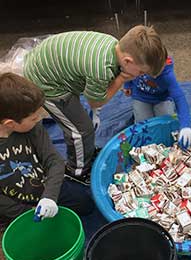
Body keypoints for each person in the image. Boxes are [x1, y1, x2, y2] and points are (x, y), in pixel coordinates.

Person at [23, 26, 167, 185]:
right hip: (47, 84)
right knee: (80, 131)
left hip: (50, 64)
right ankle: (76, 170)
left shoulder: (113, 44)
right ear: (127, 61)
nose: (141, 76)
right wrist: (120, 80)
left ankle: (86, 153)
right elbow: (95, 101)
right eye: (140, 72)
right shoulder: (101, 70)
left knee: (81, 121)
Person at [0, 73, 94, 226]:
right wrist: (25, 212)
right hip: (15, 205)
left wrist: (49, 196)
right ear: (10, 123)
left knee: (85, 203)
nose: (39, 119)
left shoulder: (32, 128)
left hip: (43, 186)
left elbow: (54, 160)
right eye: (33, 118)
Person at [123, 56, 191, 149]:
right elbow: (127, 67)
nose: (154, 77)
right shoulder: (137, 57)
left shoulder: (167, 73)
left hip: (162, 98)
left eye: (157, 75)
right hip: (140, 96)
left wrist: (186, 125)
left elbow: (179, 98)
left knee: (167, 124)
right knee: (143, 127)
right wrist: (127, 84)